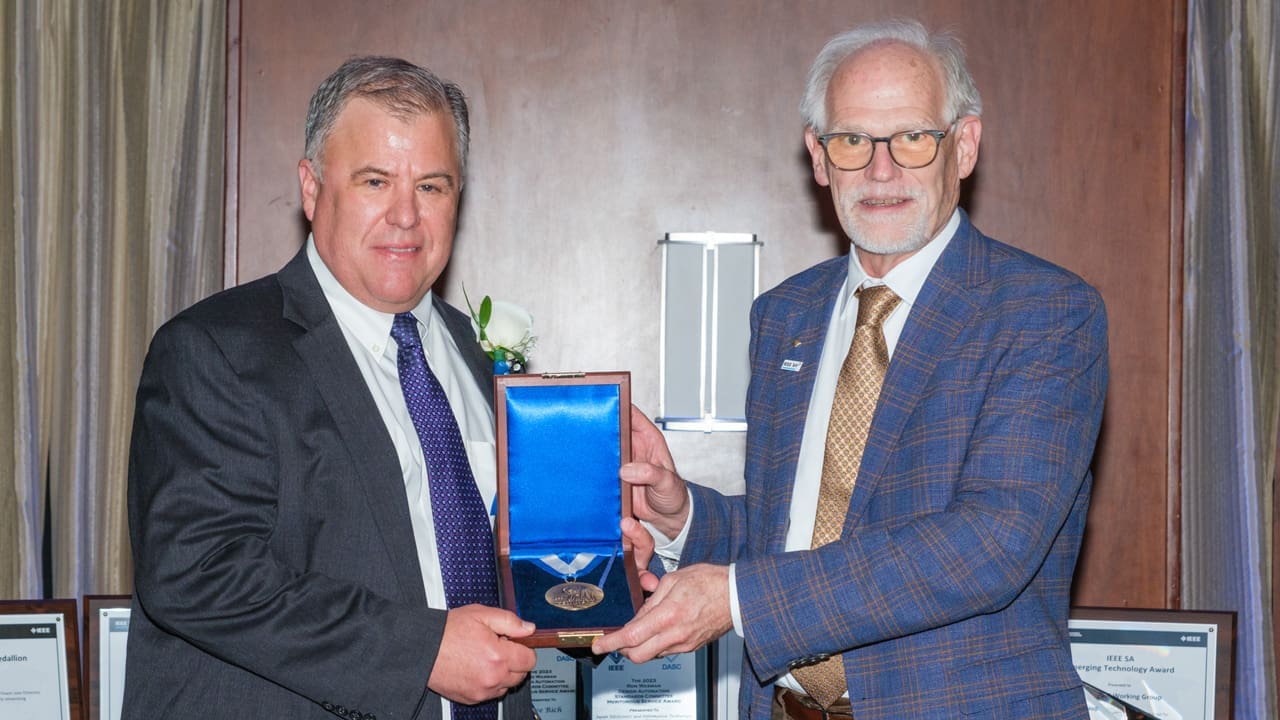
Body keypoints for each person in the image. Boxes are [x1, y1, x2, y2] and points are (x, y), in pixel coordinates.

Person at [595, 19, 1107, 720]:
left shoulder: (1044, 312)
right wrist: (684, 514)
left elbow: (990, 543)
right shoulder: (785, 316)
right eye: (853, 140)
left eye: (912, 138)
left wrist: (737, 599)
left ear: (964, 146)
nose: (881, 169)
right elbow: (798, 535)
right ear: (818, 155)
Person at [122, 56, 538, 720]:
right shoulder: (214, 350)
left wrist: (611, 553)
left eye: (432, 186)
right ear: (312, 190)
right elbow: (198, 572)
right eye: (376, 181)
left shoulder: (476, 357)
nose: (406, 216)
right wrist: (422, 652)